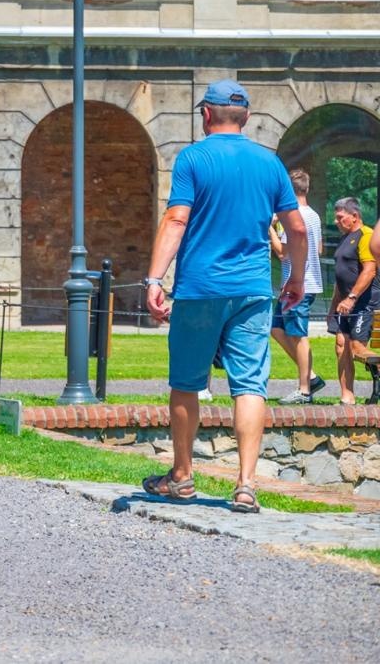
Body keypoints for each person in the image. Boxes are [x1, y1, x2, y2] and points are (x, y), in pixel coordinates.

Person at [140, 79, 306, 515]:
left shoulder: (193, 158)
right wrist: (295, 278)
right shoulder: (270, 163)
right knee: (250, 385)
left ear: (206, 114)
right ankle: (246, 485)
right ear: (246, 117)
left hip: (200, 288)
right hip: (252, 289)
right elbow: (297, 229)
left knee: (186, 383)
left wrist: (154, 279)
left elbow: (176, 220)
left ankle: (181, 476)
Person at [268, 168, 326, 403]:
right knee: (276, 328)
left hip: (298, 285)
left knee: (298, 335)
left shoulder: (291, 217)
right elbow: (319, 249)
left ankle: (304, 390)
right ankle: (310, 377)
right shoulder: (314, 215)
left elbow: (282, 253)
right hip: (305, 283)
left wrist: (270, 228)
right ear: (307, 188)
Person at [328, 197, 377, 405]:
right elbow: (341, 276)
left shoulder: (367, 236)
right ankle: (347, 396)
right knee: (341, 345)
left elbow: (370, 270)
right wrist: (334, 305)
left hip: (364, 304)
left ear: (354, 216)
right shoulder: (345, 239)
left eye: (340, 217)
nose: (336, 221)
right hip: (344, 305)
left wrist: (352, 298)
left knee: (357, 348)